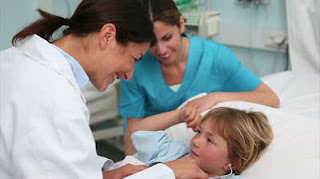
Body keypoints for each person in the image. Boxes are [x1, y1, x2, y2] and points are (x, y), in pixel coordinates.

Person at [0, 0, 208, 178]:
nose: (129, 75)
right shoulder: (55, 97)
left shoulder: (14, 59)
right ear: (107, 35)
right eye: (134, 59)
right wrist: (166, 172)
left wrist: (103, 174)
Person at [119, 0, 280, 155]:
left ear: (181, 24)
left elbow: (270, 98)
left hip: (202, 155)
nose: (161, 50)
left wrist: (217, 97)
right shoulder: (136, 65)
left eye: (167, 38)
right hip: (155, 153)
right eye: (151, 43)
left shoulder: (215, 57)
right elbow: (131, 137)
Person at [129, 107, 274, 178]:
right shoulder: (175, 153)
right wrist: (177, 115)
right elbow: (138, 133)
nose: (196, 141)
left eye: (209, 140)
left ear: (234, 162)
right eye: (199, 131)